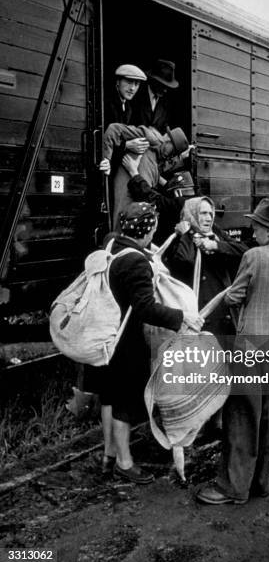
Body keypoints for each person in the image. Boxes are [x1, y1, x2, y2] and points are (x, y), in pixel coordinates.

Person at [197, 198, 269, 504]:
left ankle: (233, 488)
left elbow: (235, 297)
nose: (252, 229)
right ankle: (260, 483)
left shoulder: (253, 256)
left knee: (242, 413)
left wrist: (236, 297)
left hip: (249, 345)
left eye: (256, 225)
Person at [103, 201, 204, 484]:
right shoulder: (136, 261)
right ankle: (124, 463)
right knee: (124, 403)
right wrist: (182, 317)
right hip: (126, 343)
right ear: (147, 231)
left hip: (108, 335)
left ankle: (108, 456)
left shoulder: (112, 247)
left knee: (111, 397)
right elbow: (146, 307)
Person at [164, 197, 248, 338]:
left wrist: (215, 245)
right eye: (203, 213)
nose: (209, 218)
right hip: (201, 312)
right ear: (192, 214)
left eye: (211, 213)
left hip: (222, 309)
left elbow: (244, 251)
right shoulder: (181, 238)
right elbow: (185, 260)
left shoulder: (216, 234)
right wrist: (187, 234)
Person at [99, 124, 191, 229]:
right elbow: (113, 129)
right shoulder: (147, 135)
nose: (171, 156)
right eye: (173, 151)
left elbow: (161, 167)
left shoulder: (158, 155)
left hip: (139, 199)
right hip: (128, 194)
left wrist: (181, 158)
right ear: (168, 140)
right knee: (122, 227)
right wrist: (106, 159)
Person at [104, 64, 150, 157]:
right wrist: (126, 145)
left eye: (136, 84)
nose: (132, 88)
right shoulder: (107, 103)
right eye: (129, 82)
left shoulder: (128, 107)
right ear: (118, 82)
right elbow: (104, 138)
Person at [132, 59, 179, 134]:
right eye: (163, 85)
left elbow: (165, 129)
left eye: (167, 87)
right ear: (153, 81)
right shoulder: (135, 95)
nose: (165, 90)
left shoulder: (166, 103)